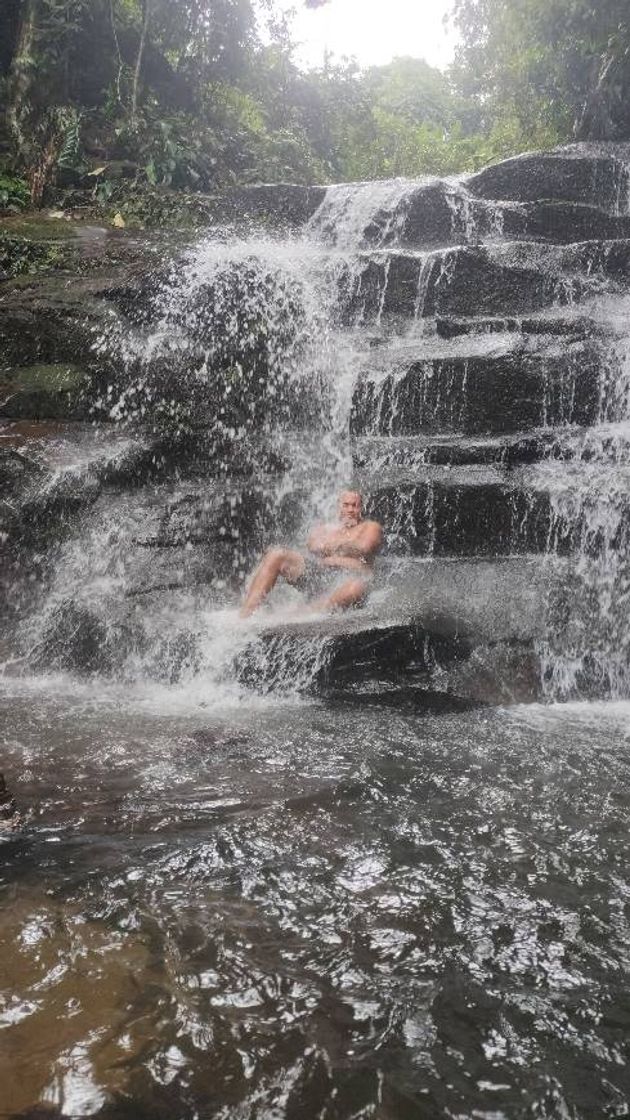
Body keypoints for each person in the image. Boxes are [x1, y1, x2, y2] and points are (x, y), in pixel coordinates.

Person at [239, 490, 384, 618]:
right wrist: (344, 548)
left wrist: (331, 552)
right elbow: (313, 546)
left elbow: (364, 547)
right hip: (320, 577)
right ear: (338, 507)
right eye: (346, 505)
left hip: (350, 579)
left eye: (355, 505)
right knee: (277, 554)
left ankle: (297, 616)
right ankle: (245, 615)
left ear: (361, 508)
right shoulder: (325, 528)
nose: (350, 510)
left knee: (355, 588)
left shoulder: (370, 526)